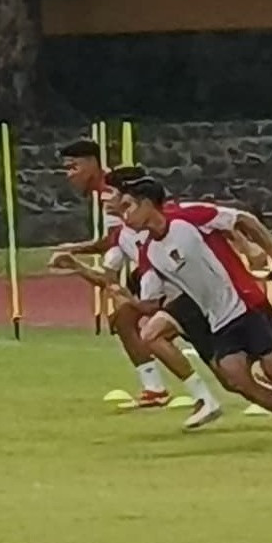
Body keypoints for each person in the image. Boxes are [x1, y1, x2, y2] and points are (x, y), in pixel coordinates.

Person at [112, 176, 272, 440]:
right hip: (218, 320)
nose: (124, 216)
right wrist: (126, 299)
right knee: (236, 380)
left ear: (147, 204)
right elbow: (152, 304)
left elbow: (244, 220)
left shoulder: (189, 217)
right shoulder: (148, 254)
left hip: (246, 303)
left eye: (128, 206)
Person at [46, 140, 206, 411]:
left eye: (74, 167)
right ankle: (156, 389)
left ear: (92, 164)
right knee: (124, 317)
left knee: (211, 339)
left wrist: (72, 251)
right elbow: (118, 241)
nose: (69, 175)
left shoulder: (114, 191)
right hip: (150, 270)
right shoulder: (107, 195)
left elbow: (112, 240)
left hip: (170, 272)